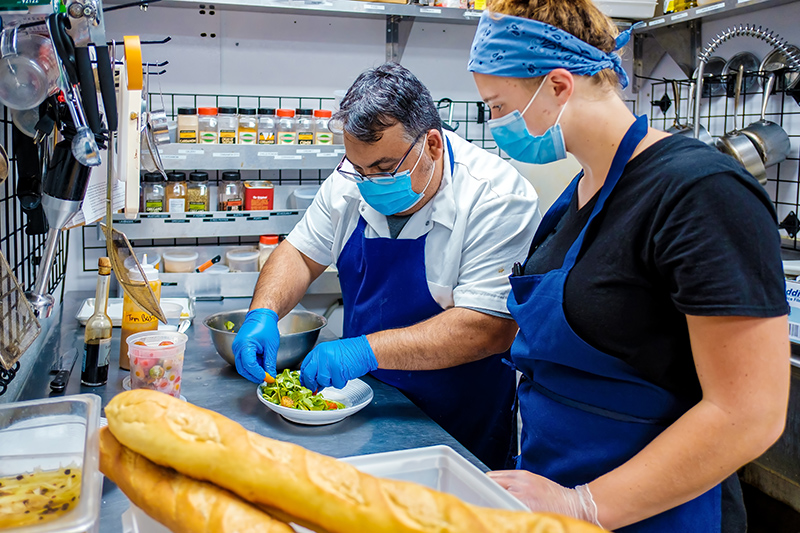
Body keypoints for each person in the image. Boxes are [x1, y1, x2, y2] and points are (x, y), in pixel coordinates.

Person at [467, 1, 790, 531]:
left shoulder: (699, 193)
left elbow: (748, 414)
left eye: (498, 105)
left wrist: (584, 504)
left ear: (557, 85)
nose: (496, 124)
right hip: (558, 495)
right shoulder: (577, 195)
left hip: (653, 515)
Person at [232, 63, 541, 469]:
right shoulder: (352, 180)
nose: (368, 181)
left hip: (460, 427)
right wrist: (263, 312)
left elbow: (488, 328)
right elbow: (298, 253)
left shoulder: (497, 197)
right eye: (358, 169)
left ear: (431, 144)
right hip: (360, 408)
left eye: (383, 169)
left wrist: (365, 350)